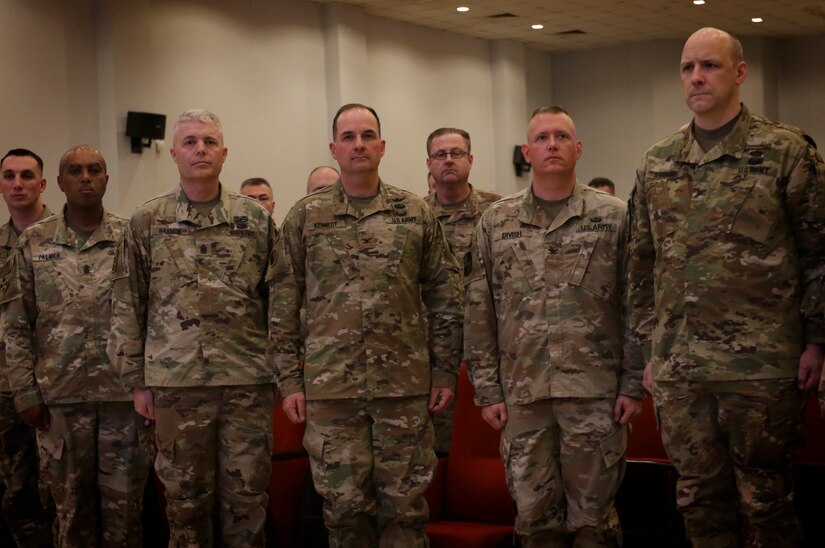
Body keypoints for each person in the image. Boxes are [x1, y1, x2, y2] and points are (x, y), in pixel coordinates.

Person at [628, 27, 825, 547]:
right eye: (688, 67)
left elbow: (819, 253)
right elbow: (640, 262)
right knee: (698, 499)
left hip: (762, 367)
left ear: (739, 72)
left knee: (766, 503)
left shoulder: (784, 151)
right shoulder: (657, 160)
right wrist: (651, 344)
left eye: (710, 66)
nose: (697, 77)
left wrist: (817, 340)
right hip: (681, 370)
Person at [269, 103, 463, 547]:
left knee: (406, 510)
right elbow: (283, 304)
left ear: (382, 146)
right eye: (349, 137)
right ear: (334, 148)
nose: (359, 144)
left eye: (368, 135)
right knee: (343, 512)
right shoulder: (305, 218)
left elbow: (445, 296)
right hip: (332, 391)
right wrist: (289, 382)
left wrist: (446, 369)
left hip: (403, 390)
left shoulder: (415, 214)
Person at [464, 106, 643, 547]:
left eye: (561, 137)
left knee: (593, 522)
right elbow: (479, 309)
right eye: (542, 139)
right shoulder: (496, 222)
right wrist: (487, 391)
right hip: (523, 396)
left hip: (596, 394)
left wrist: (633, 383)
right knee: (533, 520)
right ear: (527, 152)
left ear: (578, 148)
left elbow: (638, 302)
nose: (552, 145)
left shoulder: (615, 216)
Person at [108, 109, 278, 547]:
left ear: (224, 152)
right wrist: (137, 382)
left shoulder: (254, 220)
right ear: (175, 154)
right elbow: (129, 301)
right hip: (175, 385)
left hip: (246, 383)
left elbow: (278, 300)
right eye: (189, 142)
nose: (199, 150)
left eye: (208, 142)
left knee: (247, 501)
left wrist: (282, 373)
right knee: (185, 504)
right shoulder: (148, 220)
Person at [2, 145, 154, 547]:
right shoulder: (33, 243)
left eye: (94, 169)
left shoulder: (131, 236)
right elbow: (16, 324)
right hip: (59, 402)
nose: (85, 177)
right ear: (60, 182)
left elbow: (152, 313)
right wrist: (25, 393)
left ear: (106, 179)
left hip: (125, 400)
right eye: (75, 170)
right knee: (70, 517)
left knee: (126, 516)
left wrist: (151, 384)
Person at [424, 127, 500, 453]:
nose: (448, 160)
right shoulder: (415, 217)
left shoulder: (498, 213)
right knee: (437, 450)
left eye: (456, 153)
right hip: (433, 354)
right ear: (429, 163)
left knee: (490, 447)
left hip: (488, 352)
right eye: (440, 155)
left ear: (470, 159)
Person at [0, 148, 54, 547]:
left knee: (65, 490)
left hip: (62, 384)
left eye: (26, 176)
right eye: (9, 176)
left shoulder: (67, 237)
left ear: (43, 183)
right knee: (17, 491)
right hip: (6, 390)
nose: (17, 183)